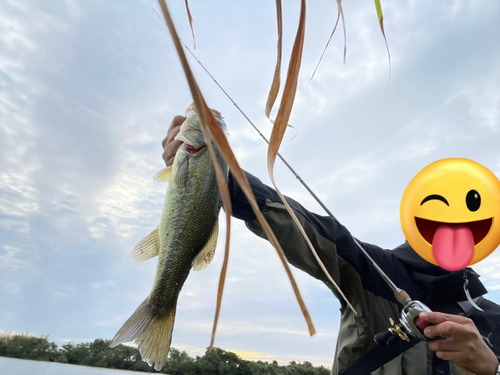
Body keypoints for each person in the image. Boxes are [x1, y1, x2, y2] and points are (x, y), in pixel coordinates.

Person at [163, 115, 500, 375]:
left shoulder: (493, 319)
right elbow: (301, 226)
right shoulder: (371, 268)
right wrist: (210, 169)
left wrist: (491, 368)